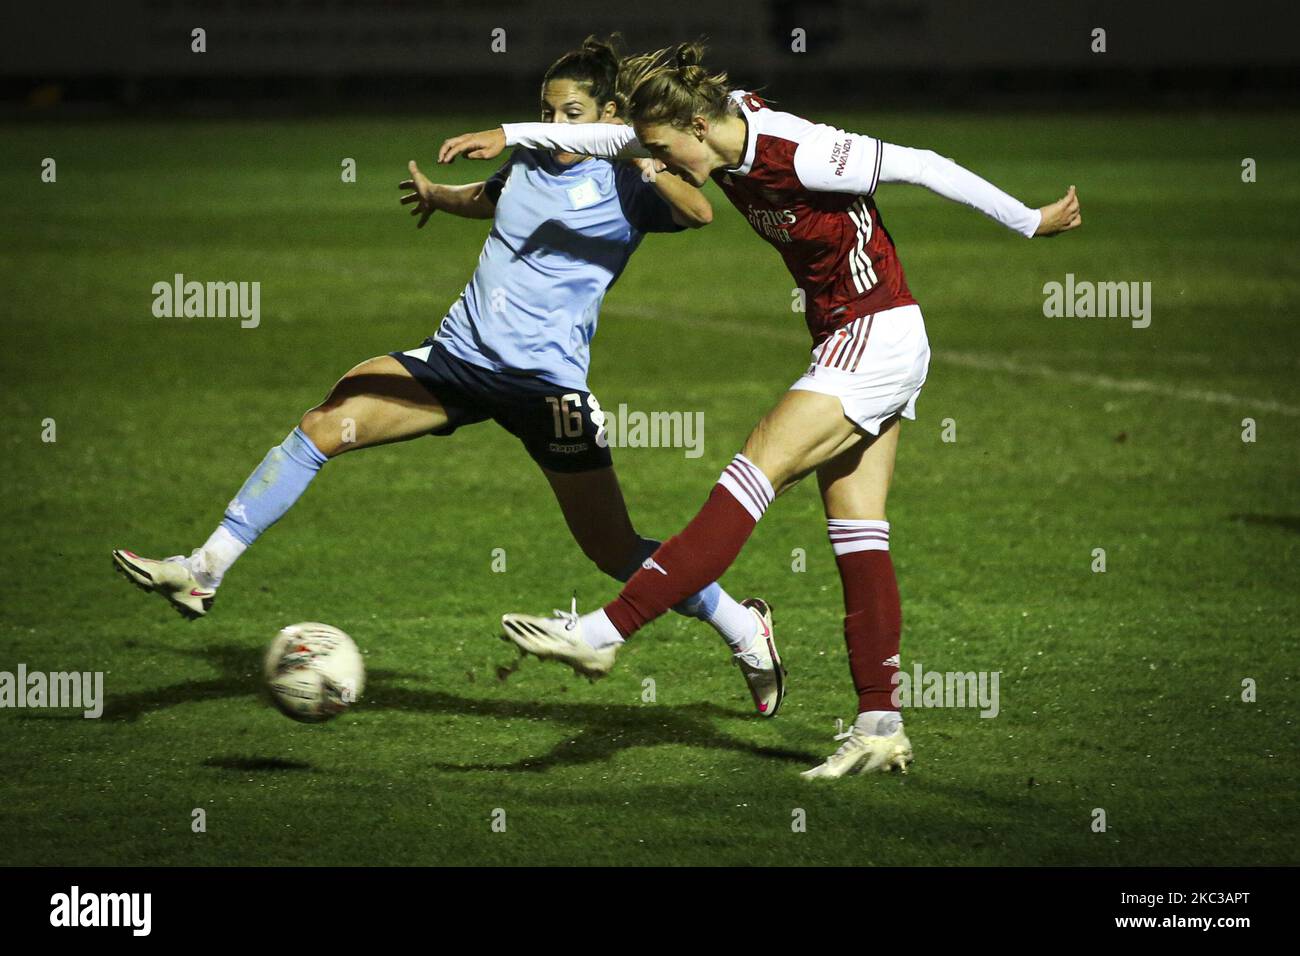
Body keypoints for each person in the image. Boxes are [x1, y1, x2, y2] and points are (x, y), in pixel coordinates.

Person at [438, 42, 1082, 777]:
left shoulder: (803, 152)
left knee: (757, 464)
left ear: (699, 129)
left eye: (664, 153)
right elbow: (613, 138)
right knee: (859, 534)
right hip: (857, 334)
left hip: (876, 332)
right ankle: (880, 725)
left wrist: (1028, 221)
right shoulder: (703, 134)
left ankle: (605, 631)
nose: (662, 167)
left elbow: (924, 162)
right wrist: (514, 136)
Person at [112, 37, 786, 717]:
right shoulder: (529, 158)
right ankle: (204, 569)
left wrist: (630, 149)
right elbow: (494, 199)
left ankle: (741, 625)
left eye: (571, 113)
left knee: (611, 547)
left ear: (611, 112)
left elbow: (699, 212)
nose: (553, 127)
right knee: (325, 424)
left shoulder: (629, 182)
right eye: (546, 112)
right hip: (457, 364)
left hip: (546, 391)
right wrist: (440, 195)